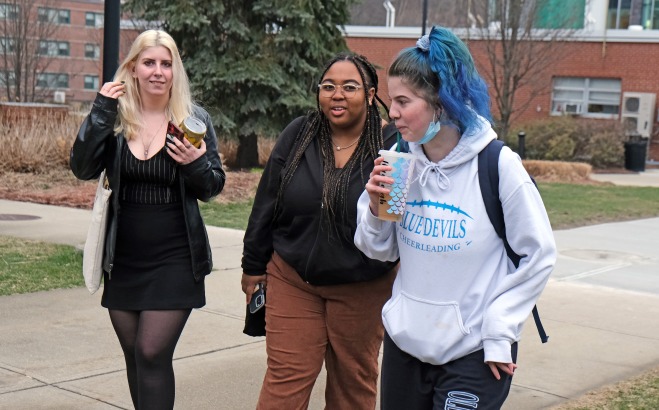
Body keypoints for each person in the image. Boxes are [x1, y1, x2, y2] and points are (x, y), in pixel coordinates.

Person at [354, 26, 557, 409]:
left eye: (403, 101)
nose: (391, 111)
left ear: (441, 102)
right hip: (406, 344)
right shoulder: (400, 158)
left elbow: (539, 254)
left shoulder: (497, 165)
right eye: (391, 100)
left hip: (474, 352)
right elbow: (378, 251)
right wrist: (376, 208)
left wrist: (501, 329)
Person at [70, 30, 225, 409]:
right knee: (136, 358)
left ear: (176, 71)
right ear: (134, 68)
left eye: (166, 63)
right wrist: (102, 112)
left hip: (175, 257)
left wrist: (196, 163)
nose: (158, 71)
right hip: (123, 259)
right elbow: (83, 167)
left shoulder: (192, 119)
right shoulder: (117, 117)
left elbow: (212, 186)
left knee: (152, 351)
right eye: (149, 62)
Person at [241, 52, 399, 409]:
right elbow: (268, 199)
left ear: (371, 95)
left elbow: (396, 219)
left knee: (352, 386)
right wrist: (253, 265)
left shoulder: (391, 145)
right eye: (328, 86)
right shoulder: (300, 132)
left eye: (349, 87)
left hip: (363, 287)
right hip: (293, 279)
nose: (337, 95)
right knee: (286, 379)